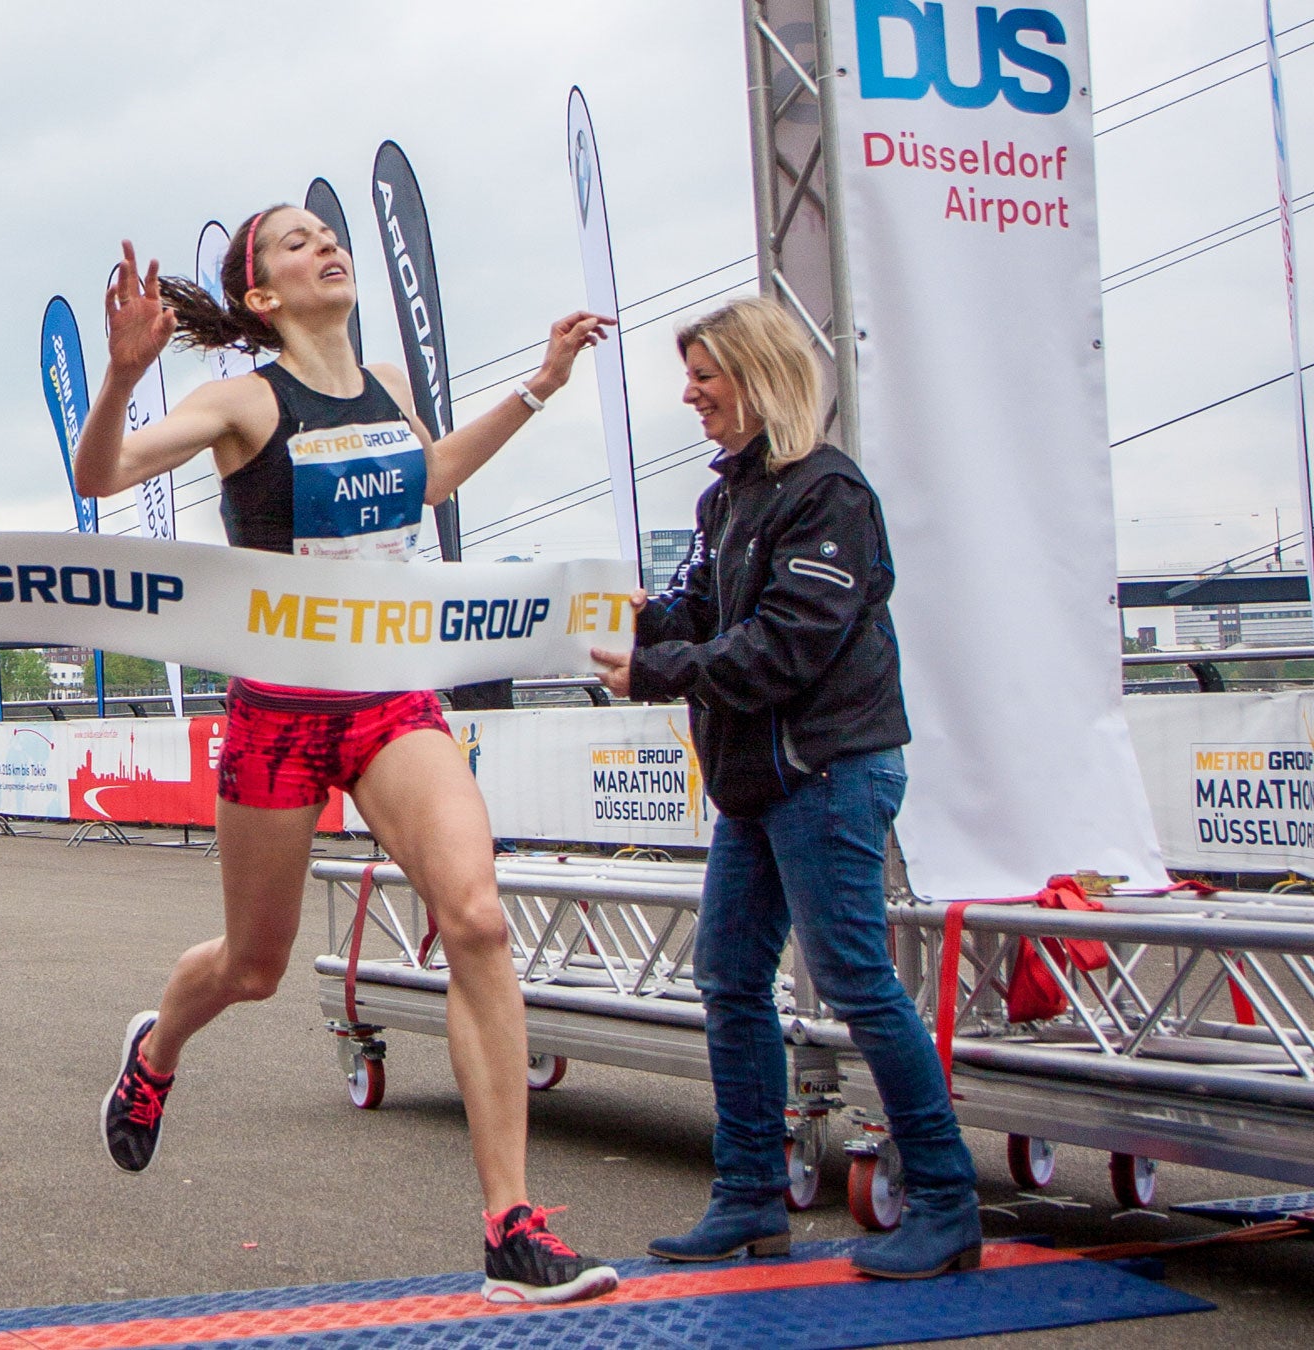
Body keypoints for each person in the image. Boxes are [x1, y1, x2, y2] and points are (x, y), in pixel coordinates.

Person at [73, 211, 617, 1304]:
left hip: (388, 696)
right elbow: (103, 476)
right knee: (254, 967)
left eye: (330, 234)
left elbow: (429, 479)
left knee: (476, 919)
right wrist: (123, 377)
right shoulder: (244, 402)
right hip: (279, 709)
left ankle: (510, 1228)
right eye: (295, 243)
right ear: (262, 296)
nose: (326, 246)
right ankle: (157, 1051)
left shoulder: (387, 382)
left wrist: (540, 385)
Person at [590, 297, 980, 1279]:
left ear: (759, 377)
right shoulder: (725, 499)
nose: (689, 394)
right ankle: (750, 1201)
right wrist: (633, 619)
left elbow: (789, 643)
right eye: (689, 377)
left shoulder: (828, 491)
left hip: (827, 769)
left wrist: (656, 669)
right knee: (728, 977)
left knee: (854, 981)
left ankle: (946, 1202)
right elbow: (700, 616)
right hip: (758, 782)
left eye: (705, 376)